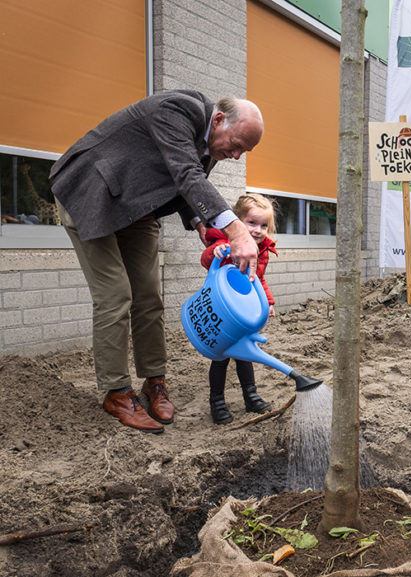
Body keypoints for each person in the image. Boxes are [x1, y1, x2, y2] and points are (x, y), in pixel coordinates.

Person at [50, 91, 264, 434]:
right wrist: (236, 230)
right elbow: (186, 175)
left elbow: (184, 185)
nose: (236, 156)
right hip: (92, 193)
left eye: (244, 152)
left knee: (148, 296)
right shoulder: (176, 110)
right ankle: (117, 392)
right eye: (237, 145)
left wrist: (200, 223)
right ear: (220, 119)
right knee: (115, 295)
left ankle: (154, 381)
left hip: (136, 207)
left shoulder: (210, 142)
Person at [200, 193, 278, 424]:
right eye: (251, 223)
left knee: (245, 356)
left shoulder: (260, 250)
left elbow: (259, 279)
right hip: (223, 312)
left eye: (264, 225)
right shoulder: (225, 244)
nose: (257, 230)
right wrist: (214, 252)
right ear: (237, 222)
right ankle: (217, 402)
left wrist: (268, 303)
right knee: (221, 357)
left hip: (244, 313)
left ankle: (251, 396)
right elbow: (206, 261)